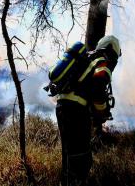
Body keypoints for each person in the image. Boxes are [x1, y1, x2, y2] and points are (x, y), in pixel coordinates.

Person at [55, 35, 121, 185]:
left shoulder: (87, 58)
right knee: (81, 156)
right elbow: (98, 87)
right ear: (114, 50)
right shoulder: (103, 61)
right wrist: (102, 111)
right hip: (76, 111)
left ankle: (67, 181)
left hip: (62, 108)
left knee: (69, 154)